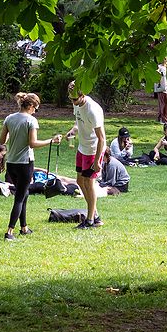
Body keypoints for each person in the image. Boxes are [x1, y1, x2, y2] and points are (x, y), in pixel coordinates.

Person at [0, 92, 62, 240]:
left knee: (24, 193)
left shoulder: (9, 118)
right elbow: (33, 143)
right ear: (31, 106)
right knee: (19, 197)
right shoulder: (31, 121)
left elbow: (2, 141)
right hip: (25, 163)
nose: (35, 111)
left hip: (11, 163)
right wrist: (51, 141)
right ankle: (9, 232)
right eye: (36, 108)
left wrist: (11, 133)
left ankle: (24, 227)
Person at [67, 79, 107, 229]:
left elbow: (101, 138)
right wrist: (73, 130)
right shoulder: (76, 104)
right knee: (80, 181)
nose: (73, 102)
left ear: (83, 95)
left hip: (93, 149)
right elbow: (78, 122)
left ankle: (91, 220)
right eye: (70, 99)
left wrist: (97, 161)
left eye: (75, 99)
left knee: (89, 183)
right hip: (82, 148)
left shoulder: (93, 110)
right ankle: (94, 214)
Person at [154, 59, 167, 124]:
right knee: (163, 104)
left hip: (166, 89)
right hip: (162, 88)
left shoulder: (166, 68)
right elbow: (157, 77)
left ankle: (162, 118)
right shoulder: (159, 67)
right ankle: (163, 119)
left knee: (165, 104)